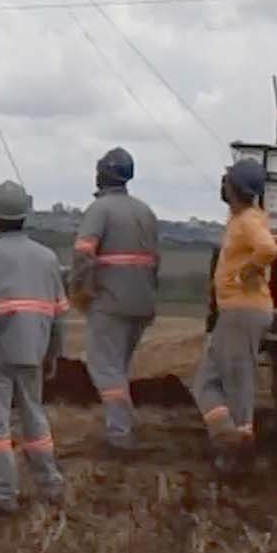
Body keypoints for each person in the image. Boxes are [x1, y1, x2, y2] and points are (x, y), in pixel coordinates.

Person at [0, 179, 70, 516]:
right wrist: (53, 354)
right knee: (35, 419)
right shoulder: (48, 258)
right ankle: (50, 484)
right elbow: (59, 315)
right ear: (26, 214)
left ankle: (2, 496)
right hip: (34, 349)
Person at [68, 147, 161, 453]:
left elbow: (83, 253)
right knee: (119, 368)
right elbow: (155, 262)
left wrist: (79, 287)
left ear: (102, 174)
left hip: (111, 302)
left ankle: (119, 434)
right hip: (143, 302)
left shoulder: (100, 210)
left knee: (104, 368)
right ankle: (127, 422)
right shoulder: (145, 211)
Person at [194, 158, 277, 471]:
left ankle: (238, 452)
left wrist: (246, 271)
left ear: (236, 189)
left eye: (227, 181)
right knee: (207, 382)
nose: (223, 185)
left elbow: (268, 249)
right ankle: (227, 437)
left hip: (243, 311)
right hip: (236, 311)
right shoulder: (241, 218)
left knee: (237, 383)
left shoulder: (248, 222)